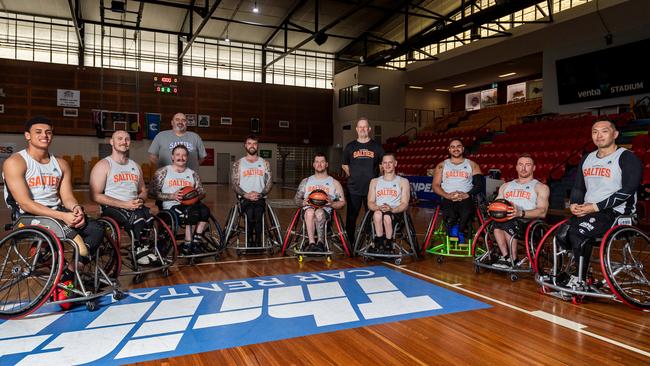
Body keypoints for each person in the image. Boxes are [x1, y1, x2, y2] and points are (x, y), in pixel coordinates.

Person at [3, 116, 104, 281]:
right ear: (27, 135)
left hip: (57, 213)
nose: (44, 135)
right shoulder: (16, 162)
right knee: (79, 244)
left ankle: (69, 273)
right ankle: (54, 260)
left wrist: (75, 209)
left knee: (97, 229)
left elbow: (67, 197)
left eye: (48, 132)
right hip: (28, 215)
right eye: (38, 132)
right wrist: (63, 216)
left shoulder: (61, 164)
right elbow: (25, 203)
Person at [558, 120, 642, 285]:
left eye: (604, 131)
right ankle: (574, 273)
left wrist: (595, 207)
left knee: (579, 232)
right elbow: (578, 188)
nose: (599, 135)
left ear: (615, 134)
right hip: (591, 211)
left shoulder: (627, 157)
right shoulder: (587, 158)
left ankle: (579, 278)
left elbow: (628, 190)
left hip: (618, 213)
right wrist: (574, 204)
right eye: (595, 132)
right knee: (563, 233)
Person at [90, 130, 155, 265]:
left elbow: (143, 190)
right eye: (119, 138)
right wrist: (124, 204)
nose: (124, 142)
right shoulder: (103, 165)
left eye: (127, 139)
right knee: (136, 217)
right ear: (112, 142)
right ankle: (138, 248)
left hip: (133, 205)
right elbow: (96, 196)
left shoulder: (135, 166)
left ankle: (143, 246)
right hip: (112, 207)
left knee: (148, 215)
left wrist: (141, 199)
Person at [150, 144, 210, 255]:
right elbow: (151, 193)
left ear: (187, 157)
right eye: (177, 154)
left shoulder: (192, 174)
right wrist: (172, 196)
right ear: (172, 157)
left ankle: (196, 239)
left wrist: (194, 196)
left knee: (205, 210)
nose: (181, 157)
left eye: (184, 155)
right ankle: (187, 243)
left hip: (191, 204)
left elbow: (202, 192)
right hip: (172, 206)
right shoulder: (163, 172)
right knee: (191, 212)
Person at [492, 154, 550, 268]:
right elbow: (497, 203)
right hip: (507, 218)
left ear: (534, 168)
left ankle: (513, 258)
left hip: (528, 222)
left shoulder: (541, 187)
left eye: (528, 165)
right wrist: (493, 207)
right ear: (516, 167)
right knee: (496, 222)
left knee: (509, 221)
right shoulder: (506, 186)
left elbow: (543, 212)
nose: (523, 168)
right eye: (521, 165)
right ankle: (506, 256)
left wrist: (520, 213)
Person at [432, 138, 483, 243]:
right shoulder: (441, 165)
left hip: (466, 197)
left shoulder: (472, 164)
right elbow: (435, 185)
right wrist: (446, 195)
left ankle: (460, 230)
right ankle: (454, 229)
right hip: (448, 196)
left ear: (463, 149)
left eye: (458, 146)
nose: (456, 149)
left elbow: (479, 185)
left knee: (467, 210)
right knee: (450, 212)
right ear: (449, 150)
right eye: (453, 147)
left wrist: (467, 194)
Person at [342, 117, 384, 243]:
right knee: (351, 217)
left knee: (372, 216)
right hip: (353, 188)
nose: (362, 129)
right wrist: (354, 175)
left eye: (365, 127)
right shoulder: (350, 146)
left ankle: (371, 241)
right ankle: (350, 242)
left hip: (371, 190)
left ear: (369, 129)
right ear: (356, 129)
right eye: (360, 127)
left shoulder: (377, 147)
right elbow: (344, 165)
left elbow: (382, 166)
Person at [294, 153, 346, 252]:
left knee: (319, 212)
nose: (319, 164)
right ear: (313, 164)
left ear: (326, 164)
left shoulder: (334, 183)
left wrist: (332, 203)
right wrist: (303, 202)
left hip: (325, 211)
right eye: (317, 162)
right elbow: (296, 200)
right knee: (310, 212)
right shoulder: (306, 181)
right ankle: (312, 243)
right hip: (308, 210)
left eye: (322, 162)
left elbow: (342, 202)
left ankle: (321, 243)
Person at [231, 135, 272, 247]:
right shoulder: (238, 164)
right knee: (249, 213)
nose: (252, 146)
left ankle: (258, 241)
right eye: (249, 143)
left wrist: (261, 194)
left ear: (257, 146)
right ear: (245, 145)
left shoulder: (265, 163)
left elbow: (269, 182)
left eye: (254, 143)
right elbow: (234, 183)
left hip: (260, 198)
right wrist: (245, 194)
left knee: (258, 213)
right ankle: (249, 241)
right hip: (245, 198)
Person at [367, 153, 410, 253]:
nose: (387, 165)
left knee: (386, 216)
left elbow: (404, 203)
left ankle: (389, 243)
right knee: (377, 214)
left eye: (390, 162)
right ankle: (380, 243)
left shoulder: (403, 181)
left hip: (395, 212)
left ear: (395, 163)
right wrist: (378, 207)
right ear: (382, 165)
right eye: (385, 163)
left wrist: (392, 209)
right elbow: (370, 202)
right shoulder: (374, 181)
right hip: (379, 210)